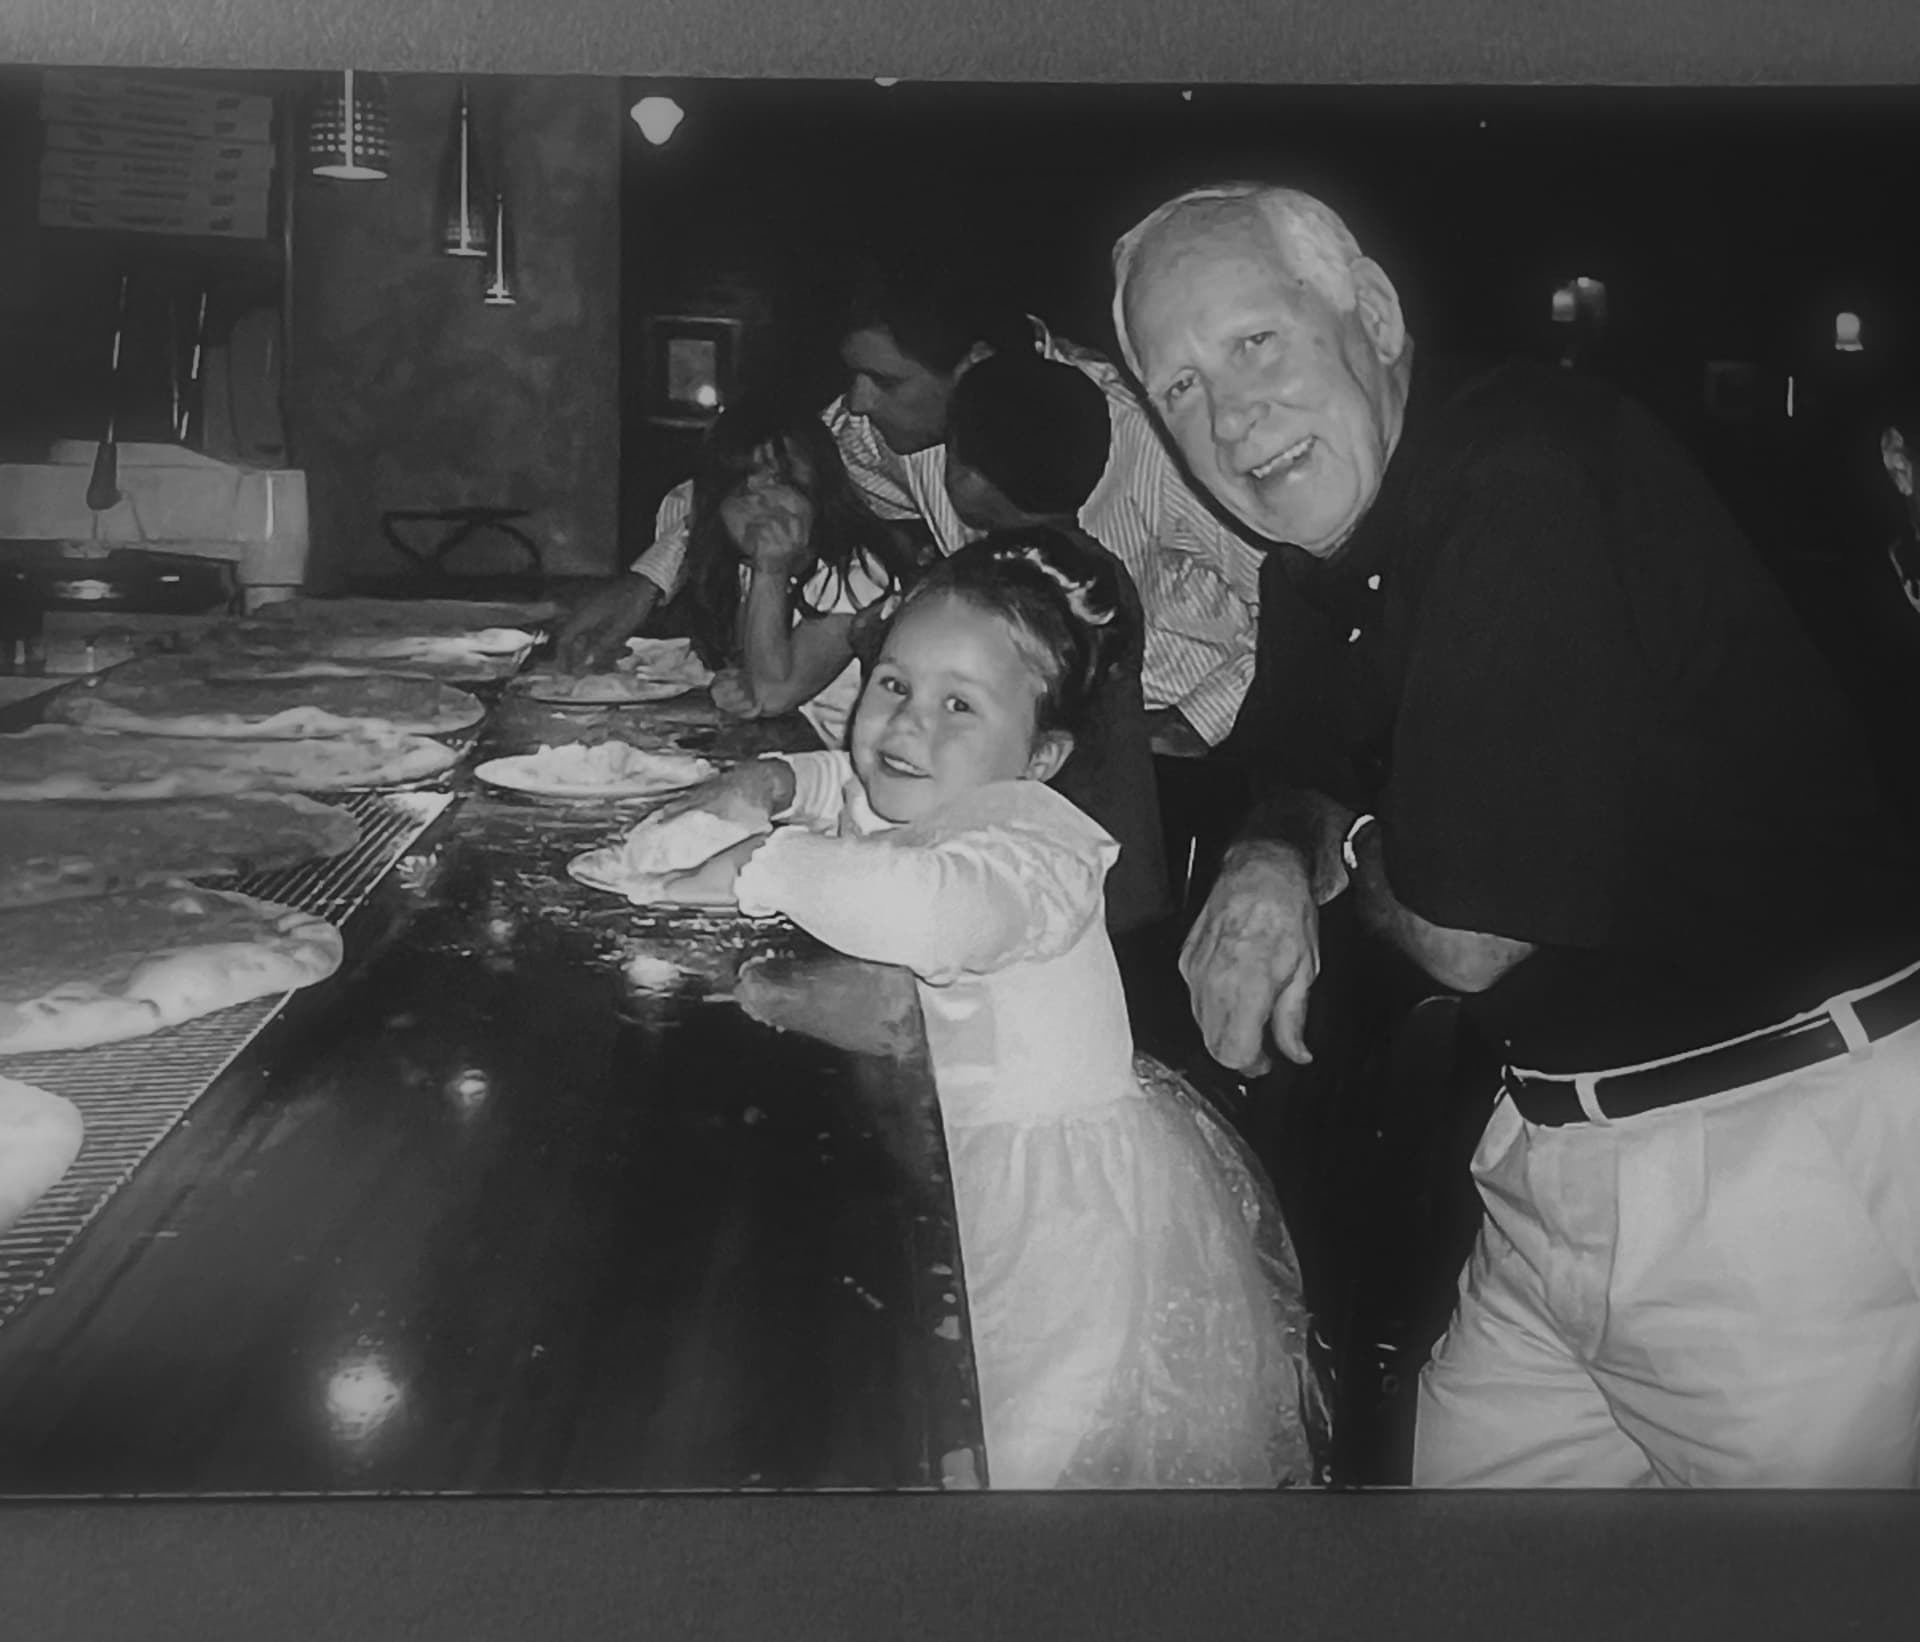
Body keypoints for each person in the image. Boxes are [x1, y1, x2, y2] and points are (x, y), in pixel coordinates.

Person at [1113, 180, 1920, 1487]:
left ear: (1368, 312)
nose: (1230, 410)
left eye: (1255, 341)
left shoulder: (1517, 468)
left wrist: (1339, 837)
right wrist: (1272, 853)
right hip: (1558, 1155)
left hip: (1781, 1180)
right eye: (1183, 387)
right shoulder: (1319, 549)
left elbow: (1469, 930)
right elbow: (1293, 769)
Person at [643, 526, 1325, 1489]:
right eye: (893, 685)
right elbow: (860, 786)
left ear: (1041, 757)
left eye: (960, 704)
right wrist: (780, 778)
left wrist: (761, 867)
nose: (909, 725)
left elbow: (932, 908)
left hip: (1054, 1221)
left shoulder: (1035, 843)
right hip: (961, 1160)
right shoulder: (951, 784)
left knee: (1008, 1455)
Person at [556, 256, 1265, 758]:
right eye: (855, 376)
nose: (859, 401)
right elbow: (764, 479)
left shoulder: (1149, 437)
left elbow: (1294, 600)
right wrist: (648, 580)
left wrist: (1189, 725)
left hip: (1152, 761)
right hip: (992, 741)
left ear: (973, 367)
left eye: (883, 381)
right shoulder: (889, 431)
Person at [941, 350, 1171, 934]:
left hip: (1040, 884)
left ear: (968, 473)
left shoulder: (988, 585)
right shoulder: (1097, 572)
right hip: (1120, 861)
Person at [672, 398, 921, 750]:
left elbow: (774, 693)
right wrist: (739, 683)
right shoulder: (747, 570)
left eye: (779, 480)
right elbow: (758, 674)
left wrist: (770, 570)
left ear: (819, 486)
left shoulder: (859, 573)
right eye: (741, 490)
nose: (761, 502)